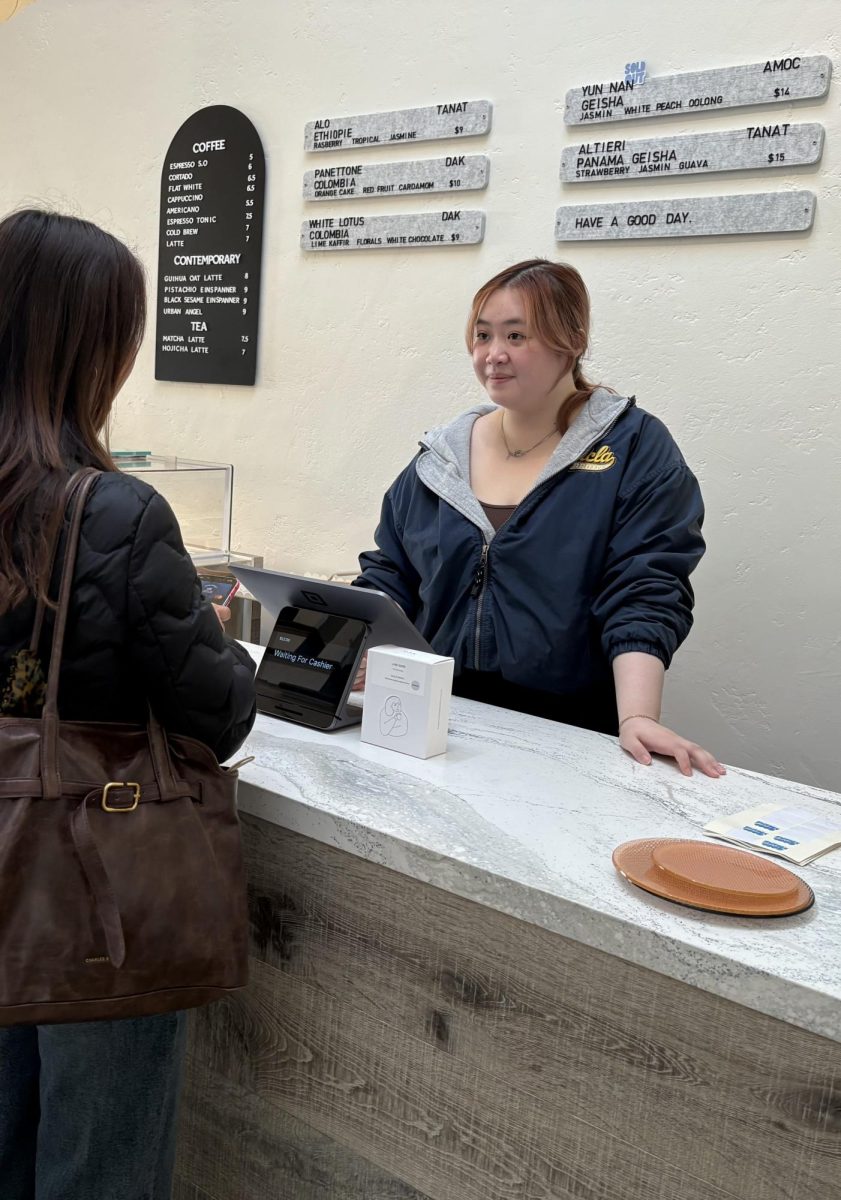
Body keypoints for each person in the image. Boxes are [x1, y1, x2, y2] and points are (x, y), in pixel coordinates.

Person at [0, 209, 257, 1199]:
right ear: (91, 350)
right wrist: (212, 632)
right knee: (100, 1163)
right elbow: (216, 715)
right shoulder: (115, 512)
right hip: (91, 888)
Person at [355, 258, 724, 778]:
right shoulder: (441, 458)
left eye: (516, 335)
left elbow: (646, 588)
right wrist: (354, 654)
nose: (494, 354)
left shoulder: (634, 448)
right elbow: (390, 574)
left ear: (571, 341)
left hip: (569, 734)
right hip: (433, 720)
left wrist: (638, 717)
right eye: (483, 335)